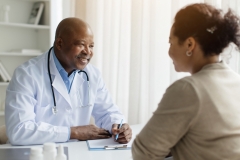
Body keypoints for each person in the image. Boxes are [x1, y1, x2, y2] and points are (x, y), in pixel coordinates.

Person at [132, 3, 240, 160]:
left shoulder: (189, 89)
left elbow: (143, 153)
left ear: (190, 44)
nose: (169, 51)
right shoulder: (236, 81)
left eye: (171, 42)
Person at [5, 17, 132, 145]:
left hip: (77, 151)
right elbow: (19, 130)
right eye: (81, 44)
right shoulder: (27, 74)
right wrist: (73, 132)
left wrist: (118, 126)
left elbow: (108, 112)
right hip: (36, 153)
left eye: (91, 46)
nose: (88, 52)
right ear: (59, 44)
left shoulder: (93, 74)